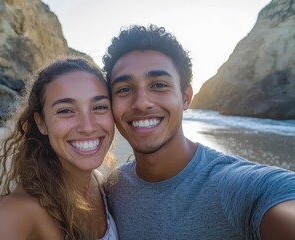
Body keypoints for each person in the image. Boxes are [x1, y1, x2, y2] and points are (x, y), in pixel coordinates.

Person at [102, 24, 295, 240]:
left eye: (158, 85)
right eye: (124, 89)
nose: (141, 103)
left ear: (186, 97)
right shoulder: (112, 190)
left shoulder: (235, 186)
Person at [0, 57, 119, 240]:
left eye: (100, 107)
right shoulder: (8, 218)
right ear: (41, 123)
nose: (87, 127)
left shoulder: (102, 185)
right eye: (65, 110)